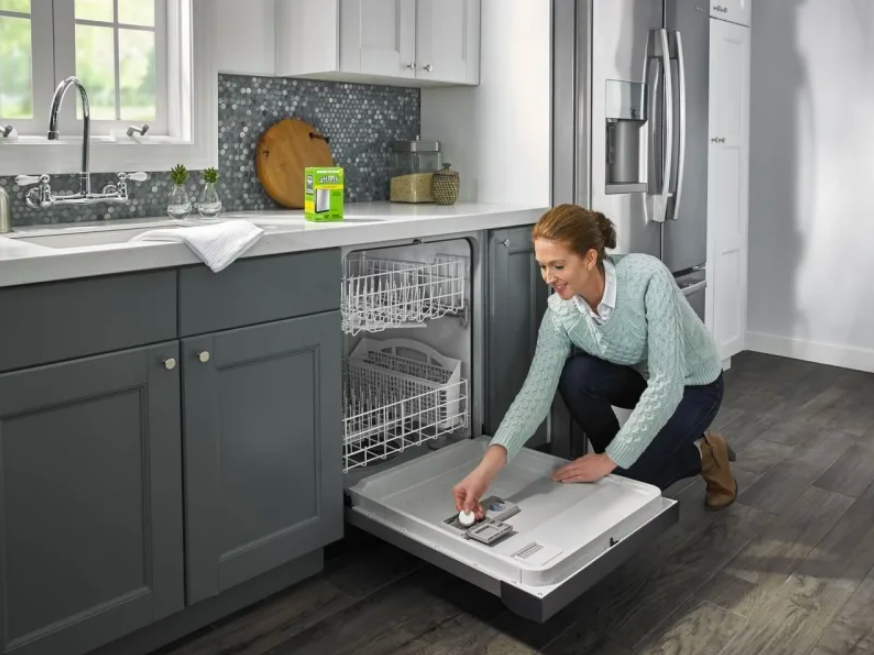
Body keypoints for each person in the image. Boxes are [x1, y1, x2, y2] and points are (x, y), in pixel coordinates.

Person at [453, 204, 736, 518]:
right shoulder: (561, 312)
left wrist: (608, 460)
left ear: (589, 258)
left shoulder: (647, 276)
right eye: (542, 266)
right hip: (643, 379)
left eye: (558, 266)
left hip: (694, 385)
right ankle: (619, 461)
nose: (548, 278)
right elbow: (534, 395)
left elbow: (667, 385)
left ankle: (705, 453)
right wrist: (484, 473)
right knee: (577, 375)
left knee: (628, 483)